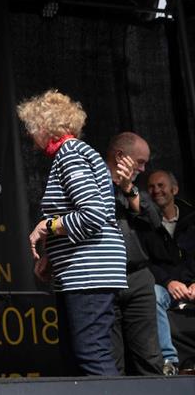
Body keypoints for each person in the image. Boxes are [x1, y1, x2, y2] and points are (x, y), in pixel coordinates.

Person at [19, 90, 127, 376]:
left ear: (44, 126)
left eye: (31, 128)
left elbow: (92, 214)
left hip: (90, 274)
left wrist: (47, 226)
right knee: (77, 359)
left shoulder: (70, 155)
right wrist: (53, 256)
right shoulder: (75, 154)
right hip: (84, 271)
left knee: (91, 358)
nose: (30, 137)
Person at [104, 132, 164, 375]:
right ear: (120, 156)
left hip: (137, 279)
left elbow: (154, 220)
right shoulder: (93, 184)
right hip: (105, 279)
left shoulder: (135, 191)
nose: (143, 168)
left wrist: (128, 188)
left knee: (148, 357)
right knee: (111, 360)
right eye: (139, 162)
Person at [142, 169, 195, 374]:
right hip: (166, 287)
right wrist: (168, 282)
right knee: (152, 295)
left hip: (191, 285)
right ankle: (169, 361)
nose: (156, 191)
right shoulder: (145, 224)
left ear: (174, 189)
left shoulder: (191, 219)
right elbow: (145, 261)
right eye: (151, 187)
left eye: (161, 185)